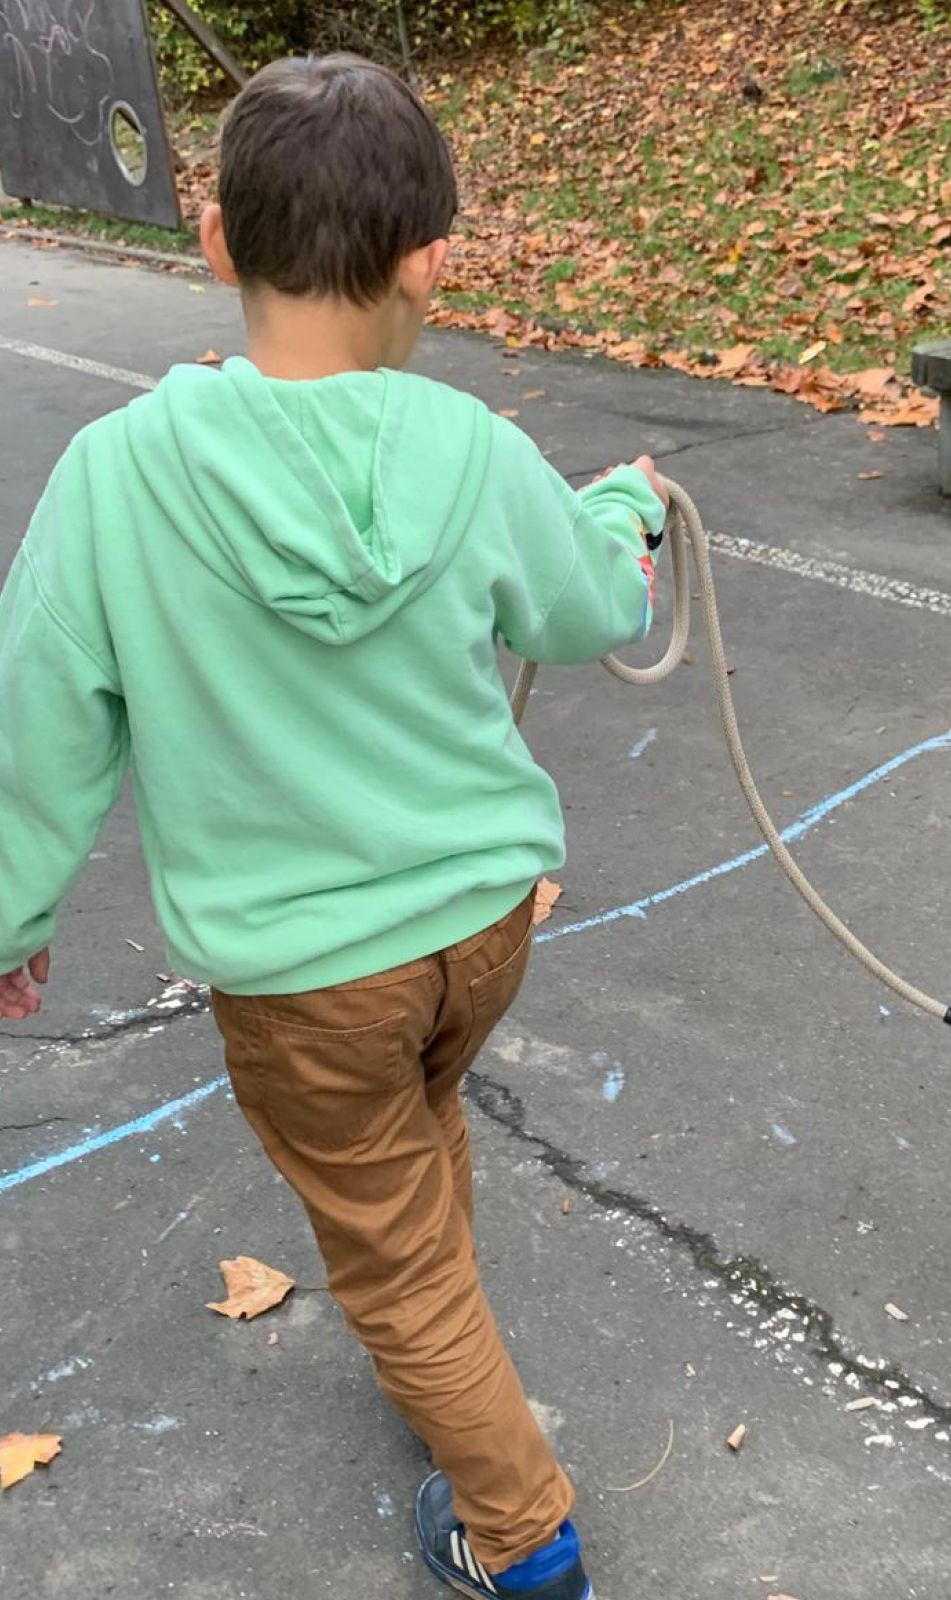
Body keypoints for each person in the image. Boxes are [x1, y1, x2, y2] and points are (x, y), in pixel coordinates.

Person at [0, 53, 669, 1600]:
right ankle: (444, 1366)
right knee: (417, 1142)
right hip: (482, 935)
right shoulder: (475, 451)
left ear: (218, 242)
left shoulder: (119, 480)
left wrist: (12, 916)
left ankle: (524, 1537)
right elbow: (584, 608)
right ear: (430, 258)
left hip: (308, 979)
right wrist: (620, 516)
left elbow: (38, 726)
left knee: (385, 1234)